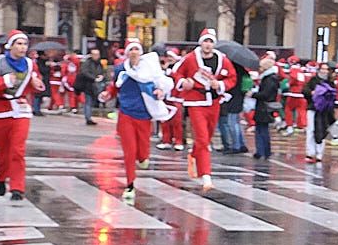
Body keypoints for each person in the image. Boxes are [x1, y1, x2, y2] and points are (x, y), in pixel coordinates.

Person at [0, 30, 42, 200]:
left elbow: (37, 83)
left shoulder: (29, 64)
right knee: (3, 151)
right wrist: (3, 82)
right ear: (10, 46)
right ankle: (0, 177)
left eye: (25, 44)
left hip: (21, 109)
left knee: (18, 150)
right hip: (1, 109)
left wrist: (36, 84)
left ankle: (17, 188)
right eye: (18, 44)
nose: (22, 47)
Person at [171, 30, 237, 191]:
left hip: (214, 102)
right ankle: (206, 177)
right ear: (200, 42)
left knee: (206, 137)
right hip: (195, 101)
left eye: (211, 42)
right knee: (202, 138)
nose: (208, 45)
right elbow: (175, 72)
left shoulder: (222, 59)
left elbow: (232, 78)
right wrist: (183, 81)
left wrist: (221, 85)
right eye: (205, 41)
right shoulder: (190, 58)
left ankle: (193, 156)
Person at [110, 39, 170, 204]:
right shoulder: (121, 69)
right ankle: (130, 185)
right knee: (129, 151)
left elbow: (160, 83)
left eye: (137, 49)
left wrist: (159, 91)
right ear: (127, 53)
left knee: (142, 152)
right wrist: (107, 94)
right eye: (131, 50)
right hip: (126, 114)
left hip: (144, 115)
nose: (134, 52)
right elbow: (115, 86)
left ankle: (143, 158)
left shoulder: (148, 68)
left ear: (141, 53)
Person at [251, 52, 283, 161]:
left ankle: (262, 151)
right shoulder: (272, 78)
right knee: (262, 129)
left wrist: (253, 94)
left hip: (264, 107)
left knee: (262, 130)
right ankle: (263, 151)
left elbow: (265, 94)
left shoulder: (269, 79)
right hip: (264, 106)